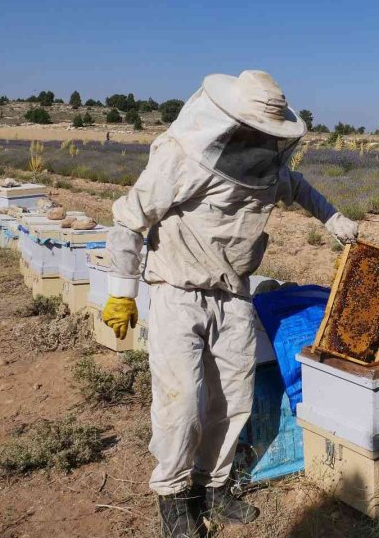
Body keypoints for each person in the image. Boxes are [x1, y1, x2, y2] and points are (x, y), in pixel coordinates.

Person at [101, 70, 358, 538]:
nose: (264, 140)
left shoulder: (266, 168)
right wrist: (122, 291)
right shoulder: (182, 157)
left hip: (234, 294)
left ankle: (215, 486)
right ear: (234, 122)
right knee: (180, 404)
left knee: (232, 399)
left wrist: (332, 217)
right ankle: (174, 500)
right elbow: (129, 219)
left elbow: (297, 186)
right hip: (178, 293)